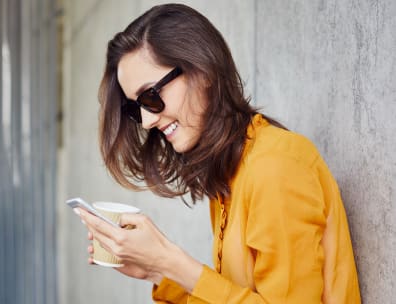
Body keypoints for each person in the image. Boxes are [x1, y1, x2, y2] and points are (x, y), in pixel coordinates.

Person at [76, 3, 361, 303]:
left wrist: (171, 262)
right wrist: (156, 271)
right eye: (136, 107)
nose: (147, 121)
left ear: (202, 71)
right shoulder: (232, 174)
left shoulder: (275, 167)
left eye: (151, 96)